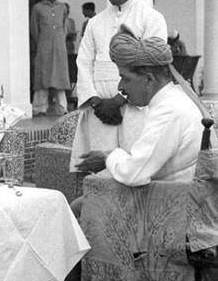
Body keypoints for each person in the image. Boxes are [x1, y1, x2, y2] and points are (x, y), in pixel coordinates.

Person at [70, 0, 167, 172]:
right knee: (96, 171)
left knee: (130, 168)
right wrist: (95, 101)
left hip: (135, 109)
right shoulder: (95, 23)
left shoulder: (152, 18)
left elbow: (151, 65)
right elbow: (83, 62)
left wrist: (118, 100)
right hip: (98, 113)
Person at [75, 25, 204, 185]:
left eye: (125, 78)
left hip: (170, 201)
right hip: (172, 194)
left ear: (149, 79)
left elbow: (133, 174)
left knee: (82, 204)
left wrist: (107, 158)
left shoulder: (168, 111)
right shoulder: (173, 100)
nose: (120, 87)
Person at [30, 0, 70, 116]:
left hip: (59, 48)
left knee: (60, 78)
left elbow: (64, 28)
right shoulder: (37, 8)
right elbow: (34, 30)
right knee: (42, 78)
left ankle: (62, 109)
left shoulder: (62, 7)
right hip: (44, 48)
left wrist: (59, 41)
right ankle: (39, 109)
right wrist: (42, 43)